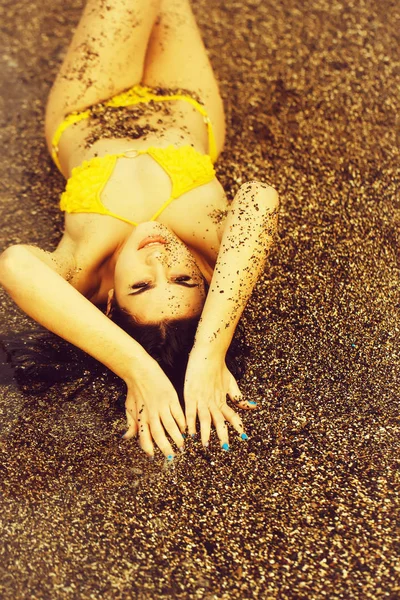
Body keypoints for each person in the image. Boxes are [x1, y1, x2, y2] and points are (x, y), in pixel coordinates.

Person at [0, 0, 279, 459]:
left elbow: (15, 264)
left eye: (143, 284)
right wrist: (209, 352)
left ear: (111, 301)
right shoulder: (209, 245)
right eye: (184, 279)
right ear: (209, 280)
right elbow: (259, 198)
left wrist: (138, 367)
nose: (158, 258)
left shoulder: (85, 269)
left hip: (90, 105)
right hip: (184, 101)